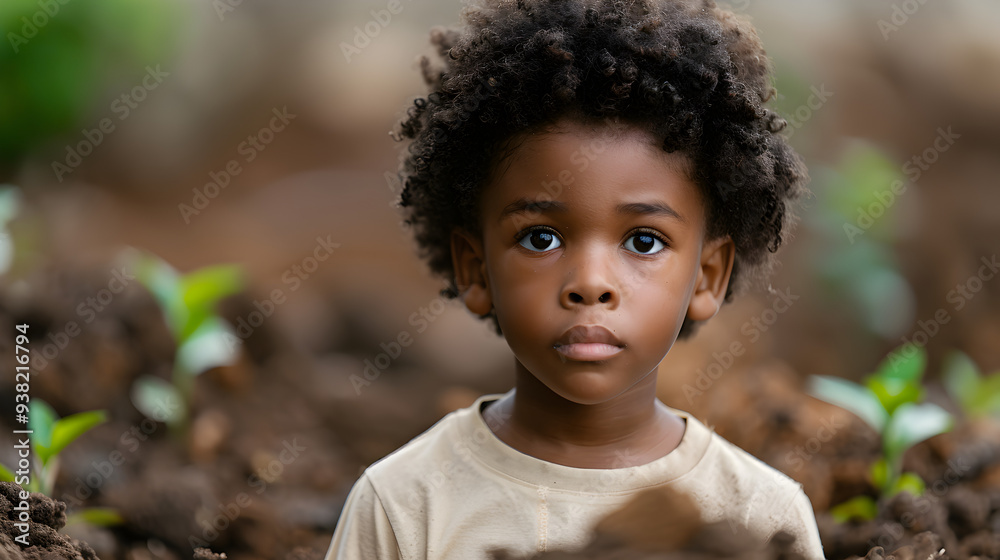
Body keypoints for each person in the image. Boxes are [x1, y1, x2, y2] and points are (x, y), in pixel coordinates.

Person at [325, 0, 825, 558]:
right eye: (542, 238)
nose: (590, 283)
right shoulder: (403, 505)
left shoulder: (759, 516)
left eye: (643, 241)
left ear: (707, 277)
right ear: (475, 268)